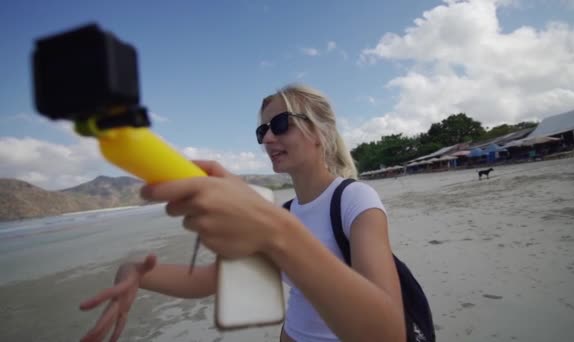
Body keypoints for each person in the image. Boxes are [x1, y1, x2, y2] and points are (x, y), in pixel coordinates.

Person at [79, 84, 406, 342]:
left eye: (280, 124)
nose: (268, 138)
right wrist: (136, 273)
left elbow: (389, 333)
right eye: (262, 131)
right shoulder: (284, 213)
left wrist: (277, 232)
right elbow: (211, 280)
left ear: (320, 132)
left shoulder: (354, 200)